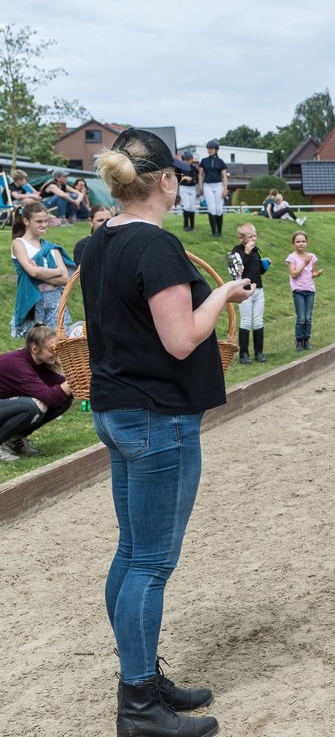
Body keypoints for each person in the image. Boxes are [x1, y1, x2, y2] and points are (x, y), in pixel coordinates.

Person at [81, 127, 253, 737]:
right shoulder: (156, 248)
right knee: (150, 561)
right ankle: (138, 706)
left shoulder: (96, 243)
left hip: (118, 408)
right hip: (158, 415)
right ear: (167, 181)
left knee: (132, 553)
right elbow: (181, 338)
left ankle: (143, 679)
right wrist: (225, 294)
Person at [0, 324, 74, 461]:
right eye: (52, 349)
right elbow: (49, 397)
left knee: (65, 399)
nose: (56, 352)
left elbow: (65, 391)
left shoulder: (40, 364)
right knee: (32, 406)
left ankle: (14, 439)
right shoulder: (17, 364)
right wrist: (73, 379)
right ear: (35, 348)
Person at [10, 201, 71, 338]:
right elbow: (33, 272)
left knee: (57, 342)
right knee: (36, 344)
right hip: (33, 300)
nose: (44, 224)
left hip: (55, 299)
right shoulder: (19, 244)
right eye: (38, 221)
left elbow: (66, 279)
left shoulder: (51, 248)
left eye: (46, 220)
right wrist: (57, 271)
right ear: (26, 221)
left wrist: (38, 271)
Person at [229, 223, 270, 364]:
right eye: (250, 236)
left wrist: (265, 265)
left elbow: (259, 271)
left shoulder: (256, 250)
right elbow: (236, 271)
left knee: (258, 321)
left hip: (258, 289)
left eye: (255, 235)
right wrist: (245, 253)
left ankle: (259, 352)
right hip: (244, 290)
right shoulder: (237, 250)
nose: (254, 238)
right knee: (246, 321)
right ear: (241, 238)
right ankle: (244, 354)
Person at [286, 229, 323, 351]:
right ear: (293, 243)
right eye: (298, 241)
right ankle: (299, 340)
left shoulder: (311, 257)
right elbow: (294, 274)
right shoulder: (292, 257)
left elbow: (311, 273)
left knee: (308, 317)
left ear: (307, 242)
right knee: (301, 317)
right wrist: (304, 263)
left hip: (310, 290)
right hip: (298, 290)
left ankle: (306, 339)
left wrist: (317, 274)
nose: (300, 244)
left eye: (303, 241)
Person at [198, 139, 229, 237]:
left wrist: (225, 189)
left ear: (216, 149)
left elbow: (224, 176)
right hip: (207, 186)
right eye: (208, 148)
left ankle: (219, 232)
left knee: (219, 209)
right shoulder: (204, 161)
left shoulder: (221, 162)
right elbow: (200, 174)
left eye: (211, 148)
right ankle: (214, 232)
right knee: (211, 208)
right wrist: (200, 186)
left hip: (218, 185)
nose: (209, 150)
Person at [176, 152, 200, 232]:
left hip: (192, 188)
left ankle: (192, 226)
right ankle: (186, 226)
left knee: (192, 207)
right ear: (183, 160)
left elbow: (198, 177)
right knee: (186, 206)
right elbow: (177, 180)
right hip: (184, 188)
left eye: (189, 160)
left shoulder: (194, 168)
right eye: (186, 160)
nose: (188, 161)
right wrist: (185, 177)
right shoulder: (180, 168)